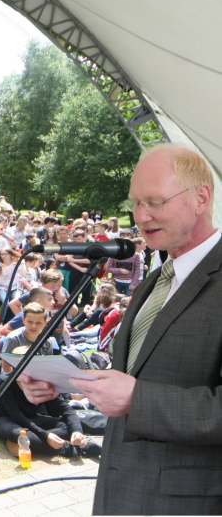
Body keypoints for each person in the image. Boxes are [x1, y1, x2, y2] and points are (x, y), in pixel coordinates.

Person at [21, 144, 222, 515]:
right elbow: (132, 375)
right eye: (135, 203)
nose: (140, 216)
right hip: (118, 491)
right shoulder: (152, 282)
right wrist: (64, 382)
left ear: (201, 198)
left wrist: (137, 399)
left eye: (155, 202)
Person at [0, 345, 100, 460]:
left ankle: (28, 442)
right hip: (7, 419)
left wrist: (76, 431)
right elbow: (16, 415)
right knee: (19, 433)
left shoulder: (43, 381)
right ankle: (72, 449)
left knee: (66, 426)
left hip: (33, 419)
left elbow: (66, 409)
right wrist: (45, 435)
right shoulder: (5, 382)